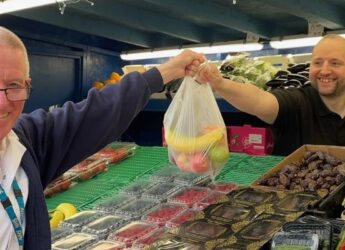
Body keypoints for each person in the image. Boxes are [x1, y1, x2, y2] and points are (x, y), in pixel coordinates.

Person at [0, 26, 205, 250]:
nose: (3, 102)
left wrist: (166, 72)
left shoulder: (24, 141)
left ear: (27, 85)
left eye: (14, 85)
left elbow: (93, 114)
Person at [197, 34, 345, 156]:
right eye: (317, 62)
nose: (324, 70)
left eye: (335, 63)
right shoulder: (297, 102)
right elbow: (260, 101)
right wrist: (219, 83)